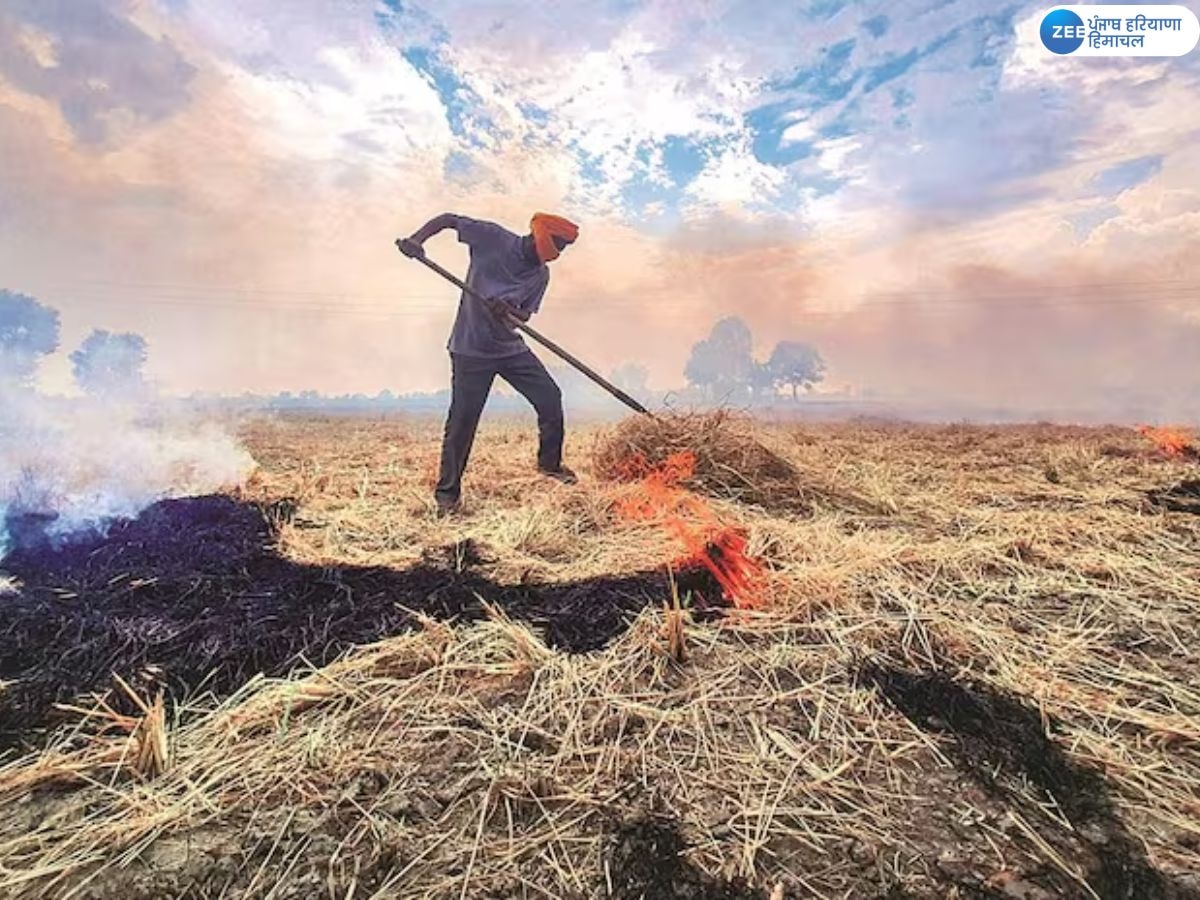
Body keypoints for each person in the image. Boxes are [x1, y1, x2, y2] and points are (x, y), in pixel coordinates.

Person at [396, 212, 580, 516]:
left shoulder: (540, 275)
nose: (553, 255)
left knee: (550, 398)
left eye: (560, 249)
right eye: (554, 246)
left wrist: (507, 310)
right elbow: (448, 219)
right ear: (538, 238)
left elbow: (524, 316)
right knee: (462, 423)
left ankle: (550, 465)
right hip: (471, 349)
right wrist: (417, 240)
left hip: (509, 349)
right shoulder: (492, 238)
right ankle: (447, 495)